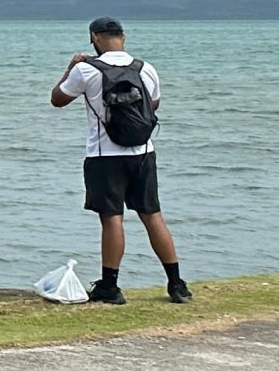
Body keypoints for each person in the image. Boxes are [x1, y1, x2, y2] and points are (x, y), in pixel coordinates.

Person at [50, 17, 188, 305]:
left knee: (112, 219)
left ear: (94, 38)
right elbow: (154, 104)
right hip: (143, 152)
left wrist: (69, 68)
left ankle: (110, 287)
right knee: (152, 215)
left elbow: (58, 99)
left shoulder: (87, 70)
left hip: (105, 156)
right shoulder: (145, 68)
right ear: (123, 37)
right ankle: (177, 284)